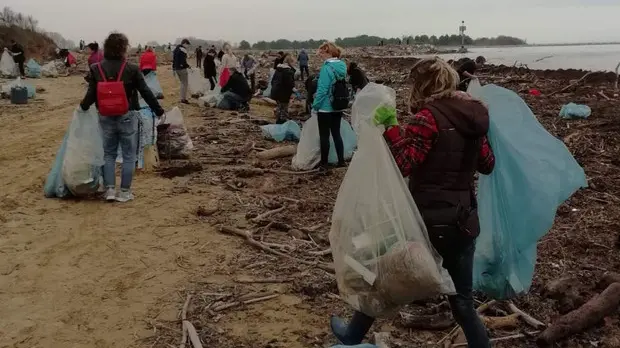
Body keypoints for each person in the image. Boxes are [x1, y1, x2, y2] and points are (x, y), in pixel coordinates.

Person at [331, 57, 494, 348]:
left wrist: (392, 128)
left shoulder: (427, 117)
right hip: (464, 221)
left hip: (425, 220)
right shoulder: (474, 118)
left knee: (379, 276)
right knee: (464, 304)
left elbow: (406, 162)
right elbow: (487, 164)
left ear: (425, 84)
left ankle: (352, 334)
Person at [79, 32, 165, 203]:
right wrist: (159, 110)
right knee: (128, 155)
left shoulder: (96, 68)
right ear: (123, 48)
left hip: (105, 116)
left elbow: (91, 95)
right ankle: (125, 192)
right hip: (128, 115)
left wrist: (82, 108)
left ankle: (109, 190)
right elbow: (145, 92)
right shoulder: (132, 69)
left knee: (108, 154)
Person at [312, 42, 347, 170]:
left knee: (324, 136)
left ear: (328, 52)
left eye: (322, 53)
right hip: (338, 105)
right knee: (337, 133)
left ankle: (324, 164)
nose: (320, 56)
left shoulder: (326, 68)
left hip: (325, 107)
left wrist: (315, 105)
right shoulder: (342, 66)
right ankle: (341, 161)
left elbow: (322, 90)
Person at [270, 54, 296, 123]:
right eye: (293, 62)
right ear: (290, 62)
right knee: (284, 109)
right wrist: (294, 91)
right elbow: (290, 84)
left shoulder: (278, 69)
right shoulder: (287, 71)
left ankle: (278, 121)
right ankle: (282, 123)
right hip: (283, 94)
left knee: (279, 107)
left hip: (276, 92)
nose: (294, 64)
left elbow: (272, 81)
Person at [173, 39, 192, 104]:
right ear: (184, 43)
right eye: (187, 44)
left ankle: (182, 98)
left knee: (182, 83)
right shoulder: (183, 50)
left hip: (177, 68)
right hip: (182, 69)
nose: (187, 46)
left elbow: (174, 59)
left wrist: (174, 68)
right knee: (185, 83)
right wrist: (187, 66)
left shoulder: (176, 49)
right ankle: (183, 99)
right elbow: (183, 61)